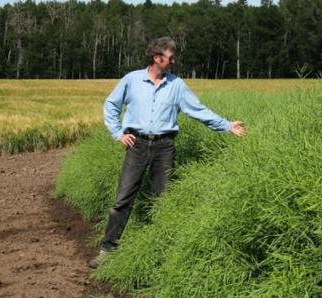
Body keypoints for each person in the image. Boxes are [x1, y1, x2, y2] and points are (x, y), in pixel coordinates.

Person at [89, 37, 246, 268]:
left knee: (163, 200)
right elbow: (111, 105)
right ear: (157, 58)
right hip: (137, 145)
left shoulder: (176, 85)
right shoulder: (131, 80)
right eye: (170, 58)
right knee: (123, 199)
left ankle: (158, 252)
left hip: (165, 147)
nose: (173, 62)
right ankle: (107, 250)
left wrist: (227, 125)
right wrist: (118, 133)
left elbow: (198, 110)